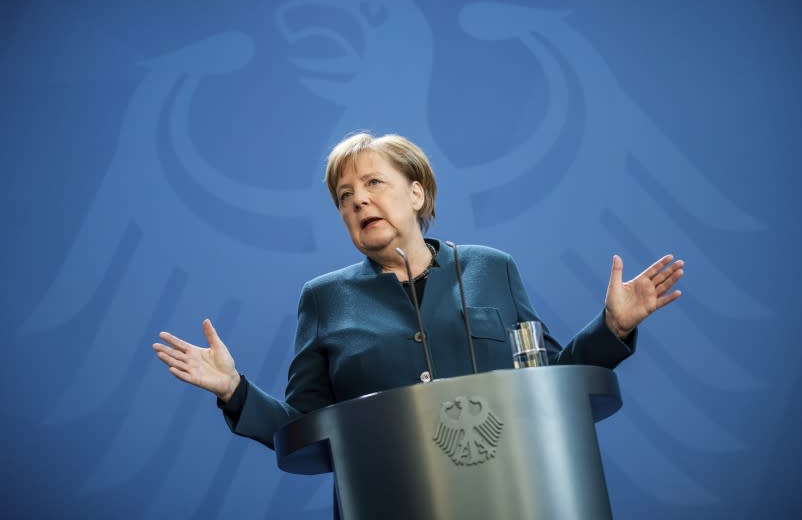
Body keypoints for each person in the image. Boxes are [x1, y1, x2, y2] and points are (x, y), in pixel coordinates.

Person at [152, 131, 684, 479]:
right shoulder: (323, 299)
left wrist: (612, 327)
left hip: (516, 494)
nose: (358, 199)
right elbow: (304, 429)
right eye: (343, 196)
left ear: (416, 194)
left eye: (373, 183)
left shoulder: (491, 268)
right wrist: (234, 390)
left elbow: (548, 384)